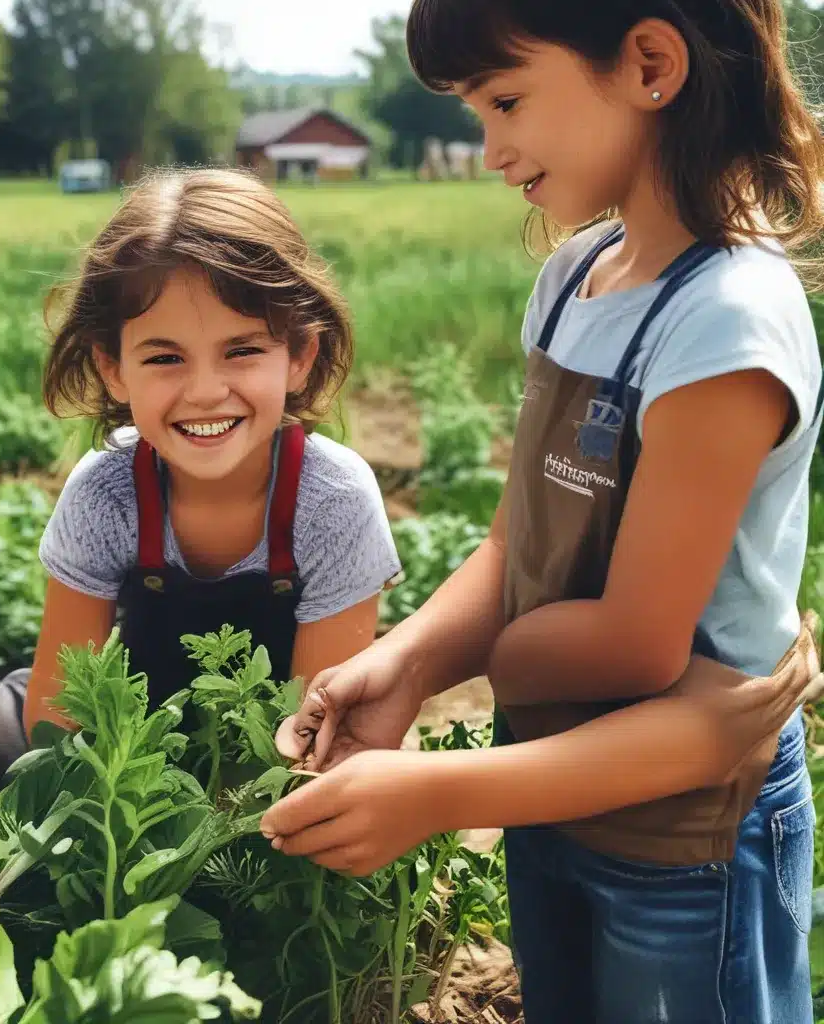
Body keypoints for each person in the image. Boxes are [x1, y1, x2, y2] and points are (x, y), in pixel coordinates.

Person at [262, 3, 824, 1022]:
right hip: (551, 785)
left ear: (650, 63)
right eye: (476, 112)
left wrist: (462, 733)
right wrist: (411, 662)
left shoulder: (725, 320)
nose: (490, 149)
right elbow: (516, 542)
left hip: (685, 826)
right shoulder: (574, 277)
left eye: (506, 101)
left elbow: (635, 648)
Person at [0, 167, 401, 788]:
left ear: (299, 356)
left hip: (267, 754)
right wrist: (116, 821)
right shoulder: (106, 491)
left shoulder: (333, 500)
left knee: (332, 790)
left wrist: (221, 827)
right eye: (164, 358)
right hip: (133, 749)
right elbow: (59, 710)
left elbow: (312, 727)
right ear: (113, 370)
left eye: (242, 351)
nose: (206, 393)